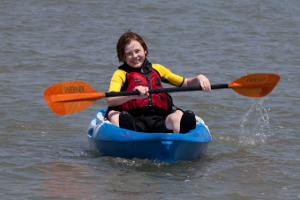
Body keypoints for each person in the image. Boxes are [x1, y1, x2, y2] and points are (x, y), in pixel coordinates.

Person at [106, 30, 211, 134]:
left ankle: (183, 138)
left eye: (137, 51)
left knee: (177, 115)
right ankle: (129, 135)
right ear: (123, 57)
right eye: (129, 54)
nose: (134, 56)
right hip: (134, 119)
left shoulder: (158, 69)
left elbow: (186, 83)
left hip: (159, 119)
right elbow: (111, 100)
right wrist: (132, 95)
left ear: (145, 50)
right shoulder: (120, 74)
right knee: (114, 114)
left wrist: (199, 78)